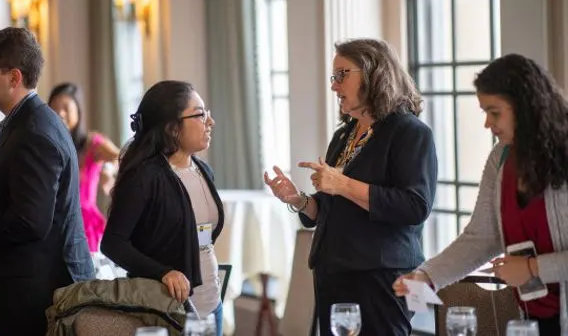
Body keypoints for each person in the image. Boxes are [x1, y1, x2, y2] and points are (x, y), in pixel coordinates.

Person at [264, 38, 437, 335]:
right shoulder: (344, 135)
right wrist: (300, 199)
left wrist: (342, 184)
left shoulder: (410, 132)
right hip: (333, 272)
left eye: (343, 74)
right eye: (334, 76)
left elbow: (415, 206)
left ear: (374, 74)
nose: (334, 86)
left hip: (381, 277)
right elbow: (331, 208)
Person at [393, 54, 568, 335]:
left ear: (526, 106)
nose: (487, 123)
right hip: (532, 318)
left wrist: (535, 268)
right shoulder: (501, 158)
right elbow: (481, 237)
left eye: (495, 112)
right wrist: (428, 275)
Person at [0, 27, 95, 336]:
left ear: (14, 78)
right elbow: (32, 205)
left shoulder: (34, 133)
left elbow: (31, 223)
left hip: (32, 303)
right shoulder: (30, 123)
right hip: (29, 295)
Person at [100, 80, 226, 335]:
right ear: (172, 128)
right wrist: (163, 272)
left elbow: (202, 239)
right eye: (200, 114)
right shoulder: (145, 177)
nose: (209, 122)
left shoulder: (203, 170)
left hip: (212, 305)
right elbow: (113, 243)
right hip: (167, 310)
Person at [48, 82, 120, 252]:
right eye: (54, 108)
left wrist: (108, 171)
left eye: (65, 107)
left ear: (78, 110)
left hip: (84, 224)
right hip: (53, 221)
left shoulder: (91, 143)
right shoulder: (49, 146)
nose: (60, 113)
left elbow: (119, 157)